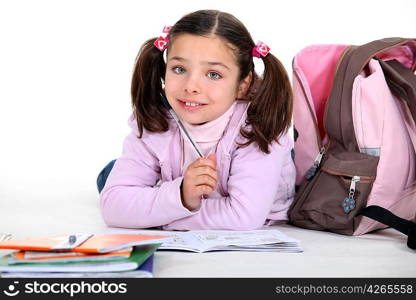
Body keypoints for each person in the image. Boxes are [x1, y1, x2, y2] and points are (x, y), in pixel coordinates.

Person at [98, 9, 295, 230]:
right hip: (182, 184)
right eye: (179, 69)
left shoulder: (258, 130)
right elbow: (113, 206)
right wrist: (182, 195)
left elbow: (242, 217)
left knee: (121, 188)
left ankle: (148, 189)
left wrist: (164, 213)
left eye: (213, 74)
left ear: (243, 84)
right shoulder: (157, 121)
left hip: (260, 194)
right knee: (109, 180)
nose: (191, 86)